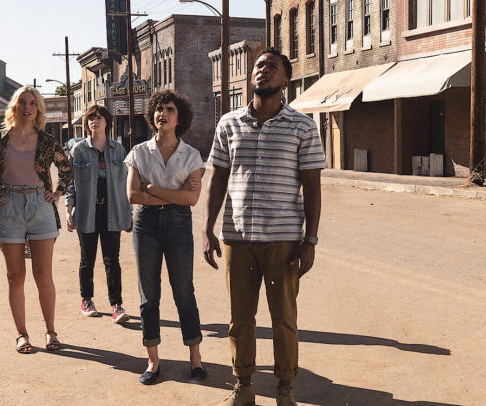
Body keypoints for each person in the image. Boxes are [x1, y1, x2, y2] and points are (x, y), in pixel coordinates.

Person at [202, 48, 325, 406]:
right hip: (237, 239)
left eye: (272, 67)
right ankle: (244, 387)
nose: (263, 71)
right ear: (249, 76)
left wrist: (310, 239)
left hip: (283, 240)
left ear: (286, 80)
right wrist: (208, 228)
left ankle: (285, 389)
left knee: (283, 318)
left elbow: (312, 186)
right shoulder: (228, 123)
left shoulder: (302, 126)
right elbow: (218, 178)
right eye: (258, 65)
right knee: (240, 318)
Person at [0, 86, 72, 354]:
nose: (27, 107)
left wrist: (58, 192)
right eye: (22, 102)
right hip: (8, 207)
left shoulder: (47, 141)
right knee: (15, 276)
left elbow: (66, 169)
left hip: (41, 207)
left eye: (33, 103)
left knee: (43, 275)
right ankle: (22, 335)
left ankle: (51, 331)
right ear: (14, 107)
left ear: (38, 109)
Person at [124, 90, 206, 385]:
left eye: (170, 109)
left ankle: (195, 361)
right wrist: (175, 194)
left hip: (178, 225)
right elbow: (133, 195)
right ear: (152, 116)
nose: (163, 114)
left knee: (184, 290)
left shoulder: (191, 155)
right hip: (145, 225)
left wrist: (154, 190)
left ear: (179, 117)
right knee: (149, 294)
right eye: (159, 109)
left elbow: (192, 200)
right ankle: (153, 361)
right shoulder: (138, 153)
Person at [65, 105, 132, 324]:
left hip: (112, 210)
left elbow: (125, 184)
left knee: (113, 260)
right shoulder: (78, 150)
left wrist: (129, 211)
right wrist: (69, 210)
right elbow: (70, 183)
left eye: (99, 117)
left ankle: (117, 304)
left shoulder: (118, 149)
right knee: (87, 259)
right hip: (87, 211)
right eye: (91, 118)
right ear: (86, 123)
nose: (95, 121)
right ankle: (87, 300)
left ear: (107, 122)